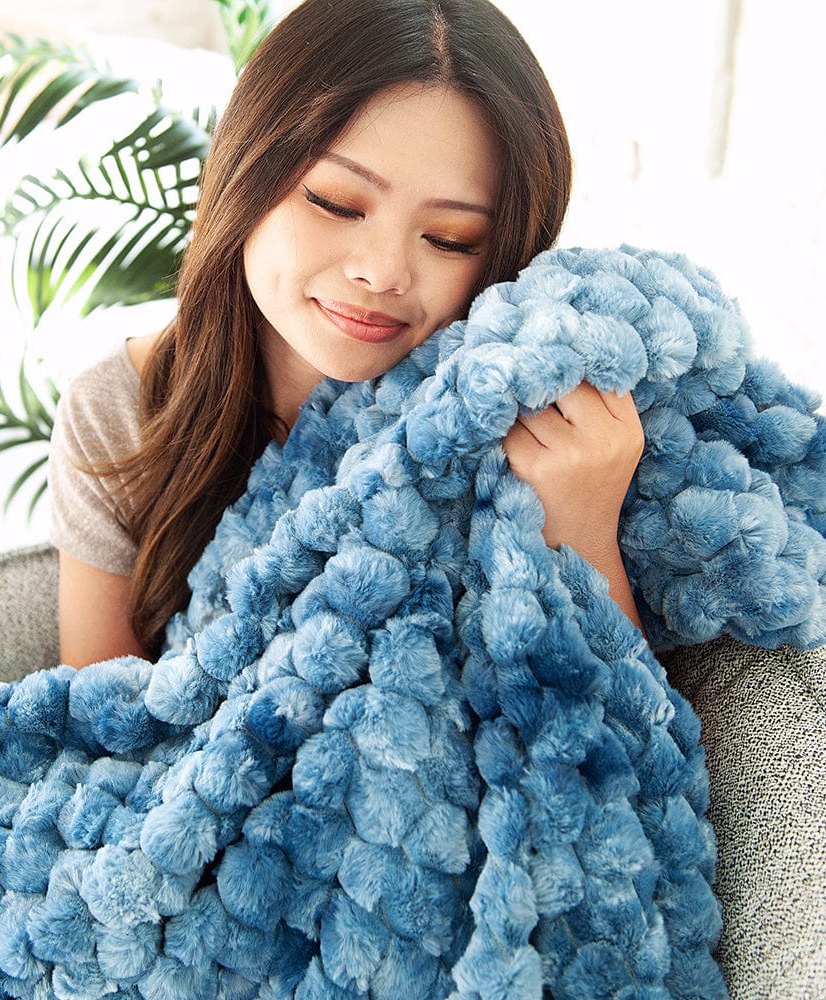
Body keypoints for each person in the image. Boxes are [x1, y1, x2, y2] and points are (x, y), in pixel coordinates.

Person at [49, 0, 645, 669]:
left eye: (452, 238)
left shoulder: (541, 420)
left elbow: (618, 743)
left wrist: (586, 528)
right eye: (336, 202)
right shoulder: (120, 413)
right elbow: (96, 725)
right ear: (244, 175)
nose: (382, 272)